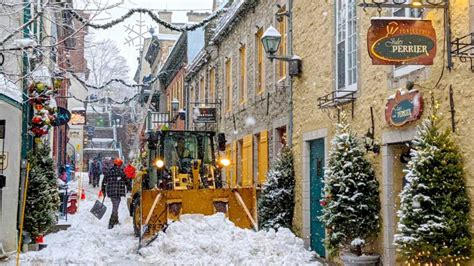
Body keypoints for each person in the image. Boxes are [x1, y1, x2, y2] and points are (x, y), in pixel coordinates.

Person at [101, 158, 127, 229]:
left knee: (116, 206)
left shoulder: (109, 171)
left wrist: (103, 190)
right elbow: (126, 180)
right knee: (115, 206)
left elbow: (104, 182)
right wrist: (130, 188)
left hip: (111, 192)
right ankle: (111, 222)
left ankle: (116, 220)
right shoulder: (121, 172)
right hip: (118, 192)